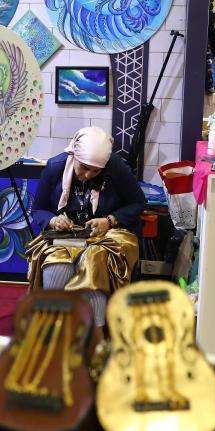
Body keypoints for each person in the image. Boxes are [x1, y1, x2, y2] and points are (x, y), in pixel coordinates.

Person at [28, 127, 147, 325]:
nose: (88, 175)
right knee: (57, 265)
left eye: (96, 171)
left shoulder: (115, 167)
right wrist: (54, 220)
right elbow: (38, 209)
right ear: (74, 156)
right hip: (66, 235)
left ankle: (96, 330)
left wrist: (110, 220)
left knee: (94, 262)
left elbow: (138, 203)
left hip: (106, 234)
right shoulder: (55, 167)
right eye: (83, 167)